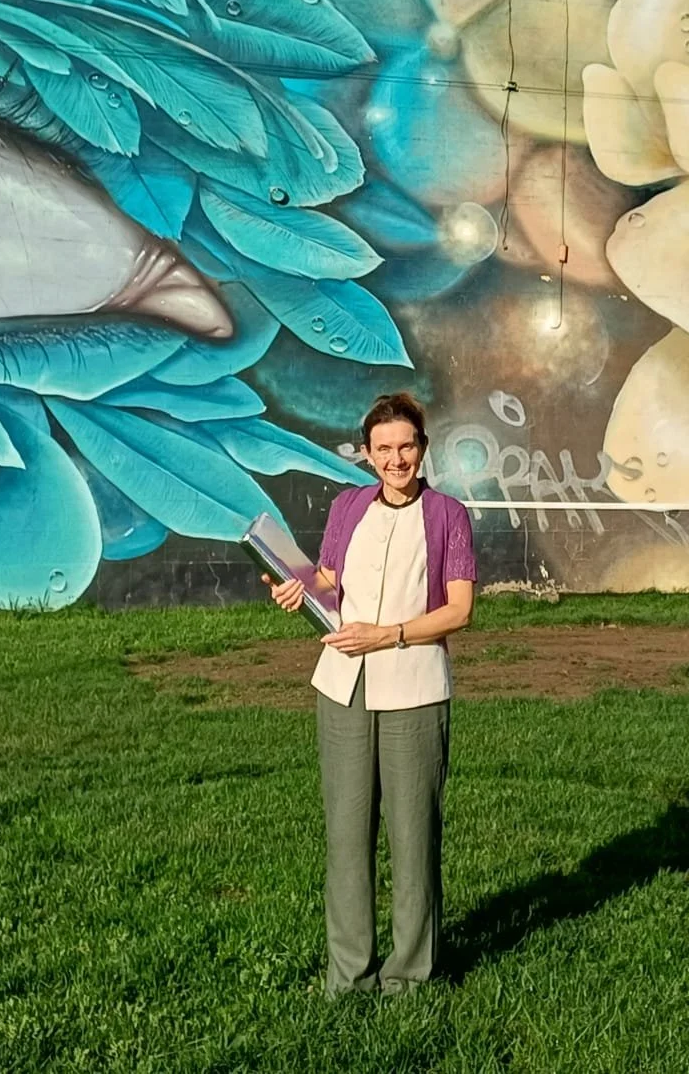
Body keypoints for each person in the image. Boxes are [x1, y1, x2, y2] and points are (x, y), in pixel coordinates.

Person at [265, 392, 477, 995]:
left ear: (423, 449)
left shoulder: (447, 515)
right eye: (383, 448)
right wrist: (296, 585)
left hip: (414, 690)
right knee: (346, 836)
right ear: (366, 453)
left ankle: (409, 976)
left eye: (406, 445)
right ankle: (349, 977)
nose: (395, 458)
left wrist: (392, 635)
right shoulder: (347, 506)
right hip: (341, 689)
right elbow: (328, 578)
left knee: (413, 839)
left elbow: (459, 610)